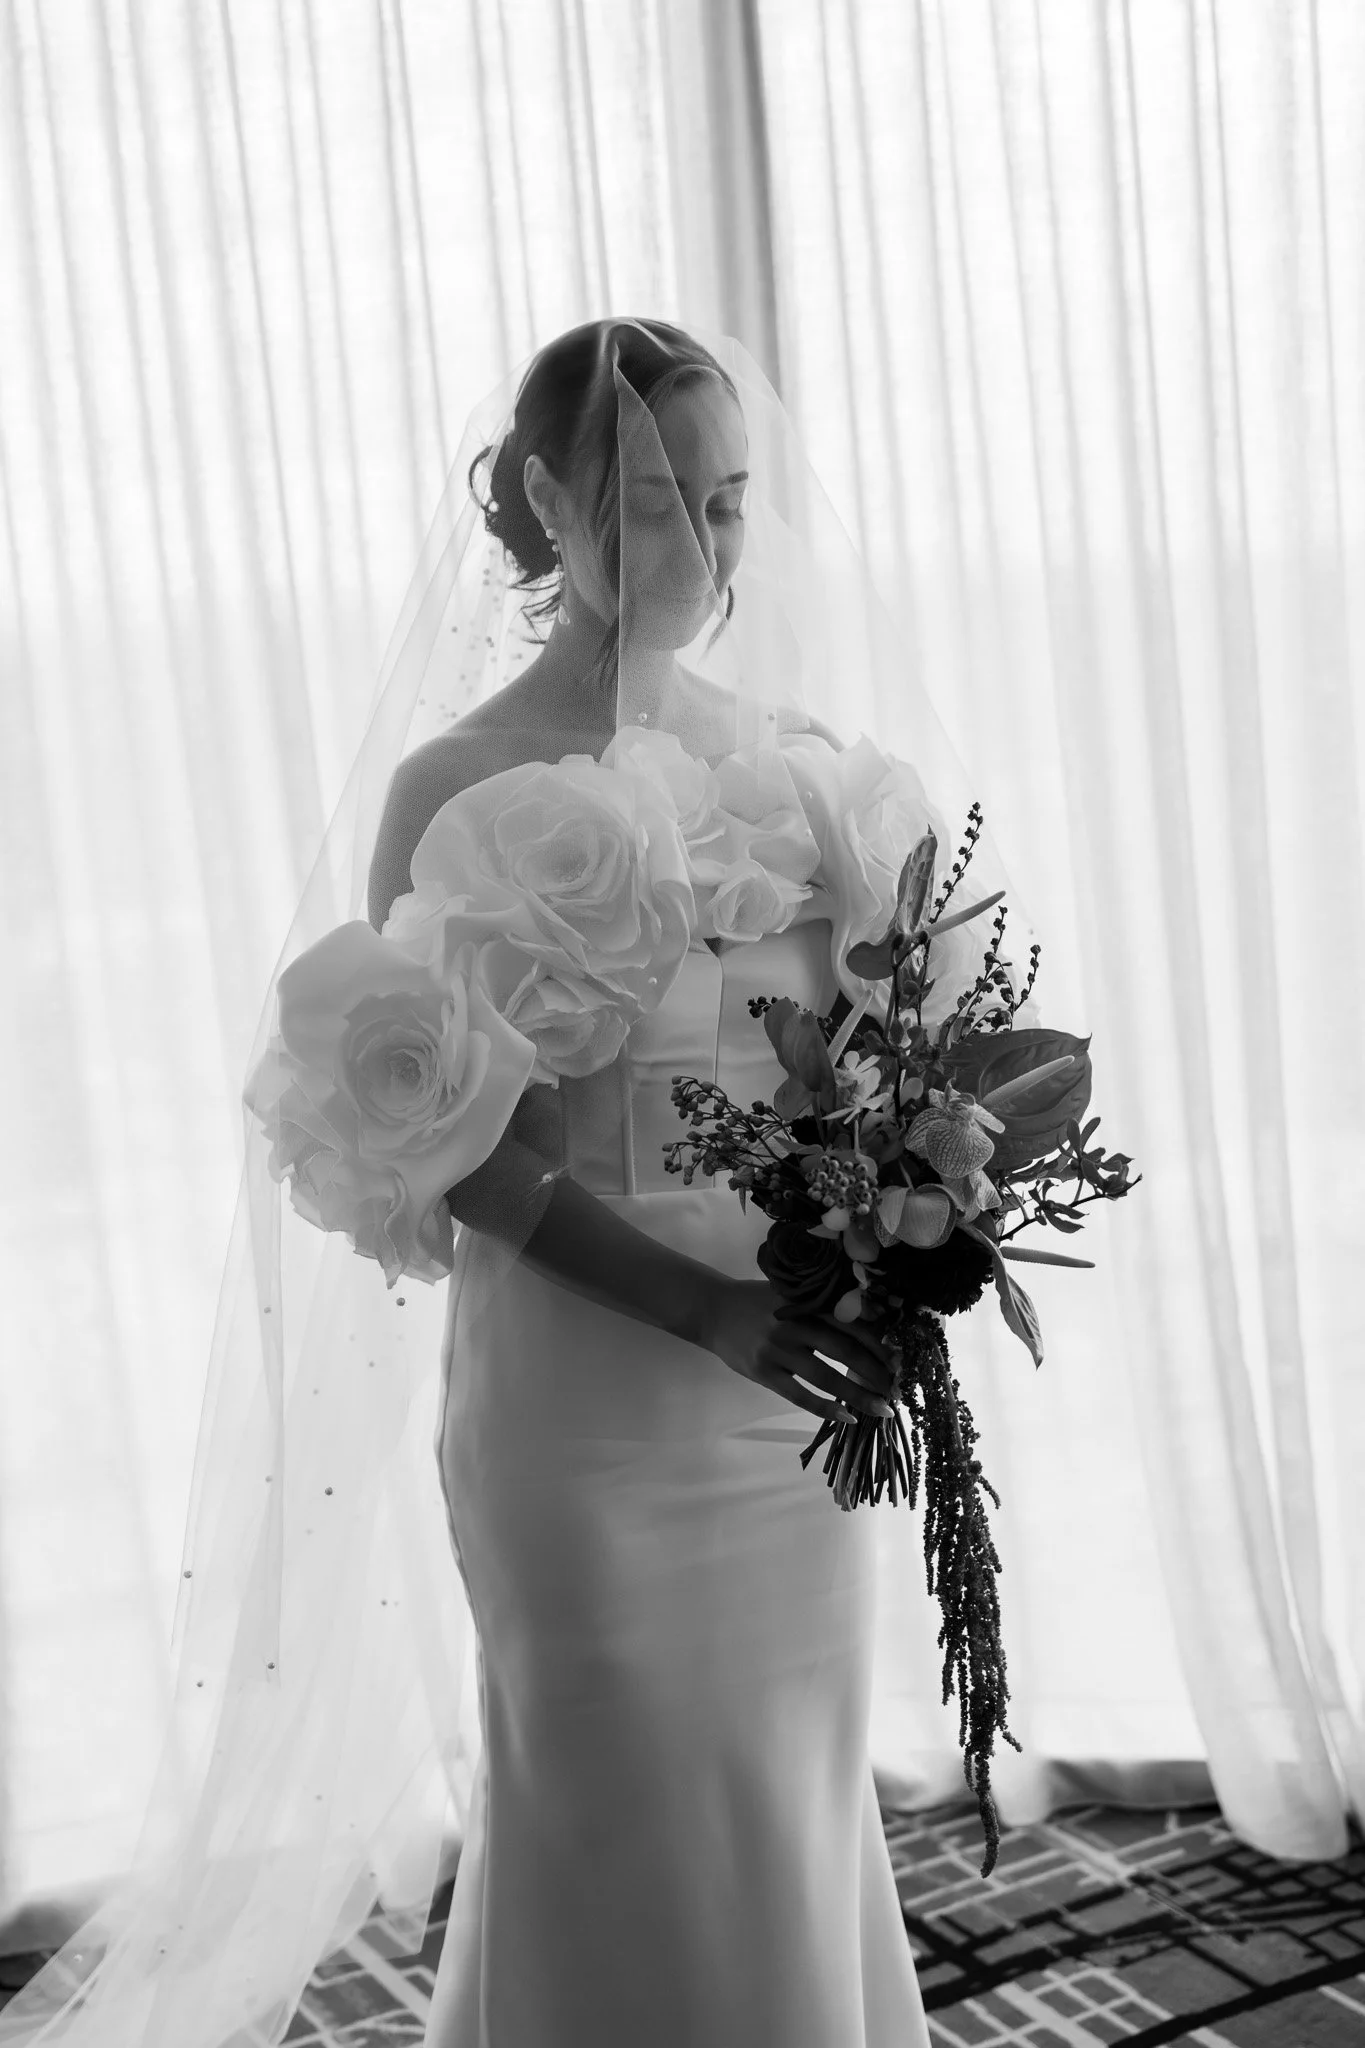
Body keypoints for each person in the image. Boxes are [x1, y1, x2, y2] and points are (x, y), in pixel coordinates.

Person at [0, 317, 1028, 2047]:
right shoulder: (459, 791)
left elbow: (863, 1060)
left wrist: (905, 1213)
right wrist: (704, 1306)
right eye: (658, 508)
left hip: (793, 1392)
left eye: (731, 501)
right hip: (591, 1411)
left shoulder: (802, 762)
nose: (707, 552)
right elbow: (468, 1159)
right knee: (619, 1804)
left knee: (782, 1803)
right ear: (549, 508)